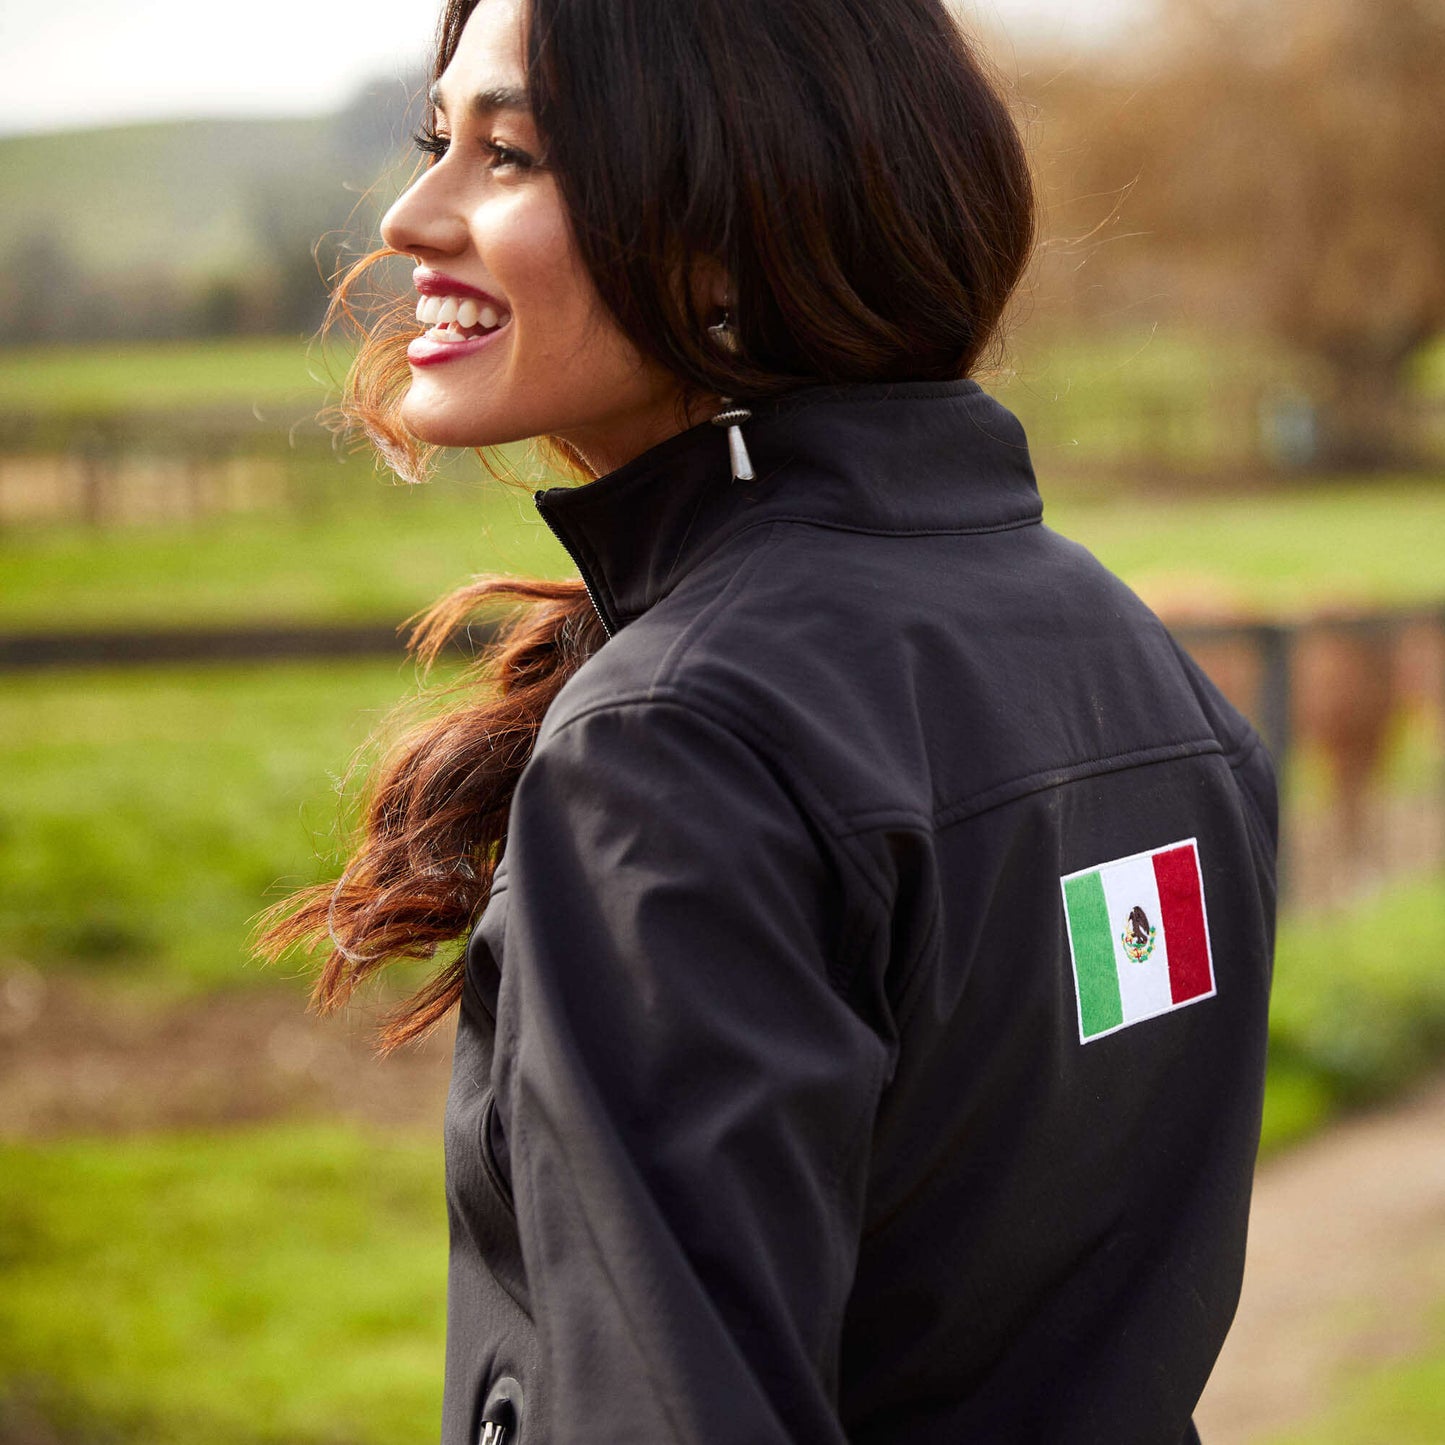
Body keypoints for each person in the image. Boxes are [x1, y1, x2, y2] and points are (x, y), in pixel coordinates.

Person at [262, 0, 1278, 1441]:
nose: (413, 215)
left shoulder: (679, 744)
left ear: (732, 224)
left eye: (513, 155)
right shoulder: (1135, 663)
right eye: (440, 140)